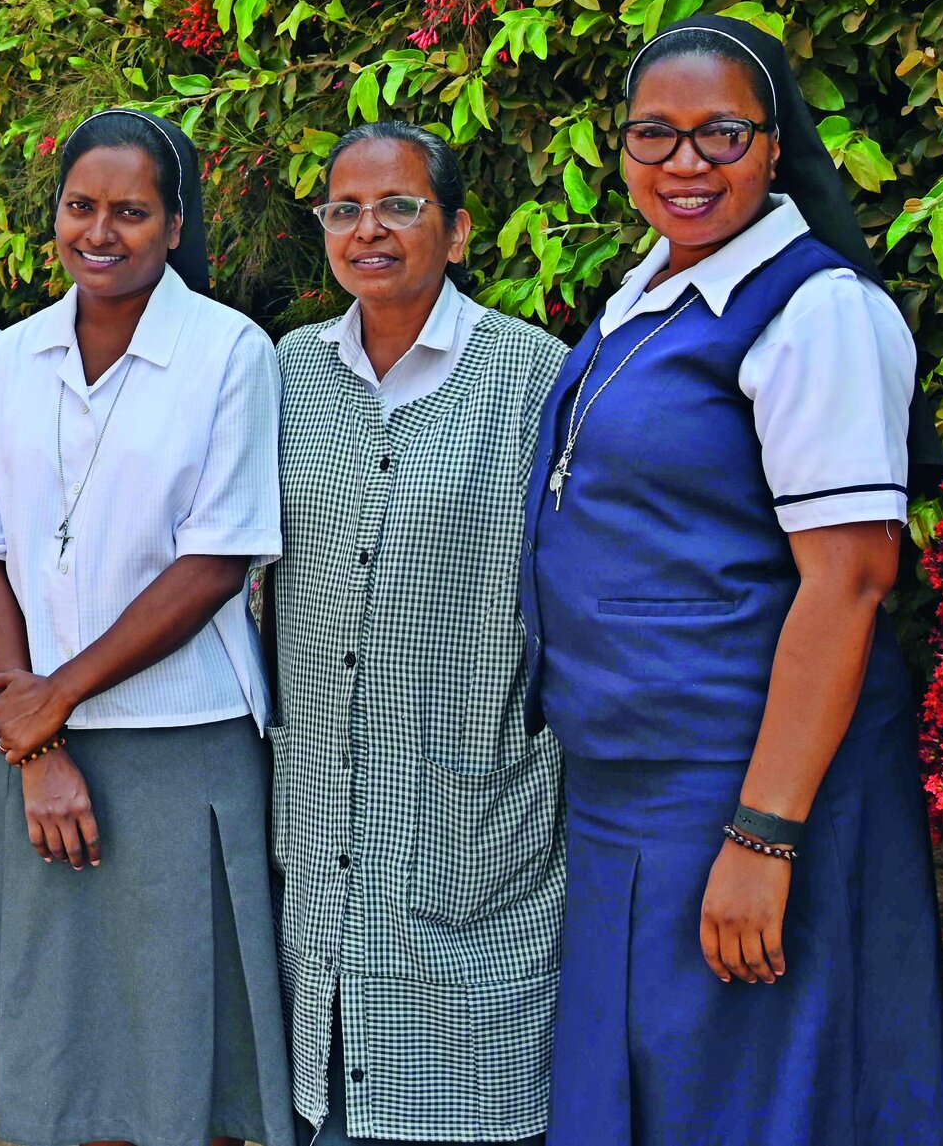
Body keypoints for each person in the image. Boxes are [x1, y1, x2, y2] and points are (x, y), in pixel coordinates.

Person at [521, 15, 943, 1145]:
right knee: (642, 1096)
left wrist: (762, 839)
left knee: (755, 1102)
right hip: (629, 793)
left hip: (747, 787)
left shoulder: (816, 313)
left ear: (773, 145)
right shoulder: (648, 295)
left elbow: (848, 585)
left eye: (719, 133)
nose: (683, 163)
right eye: (652, 135)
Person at [0, 107, 297, 1146]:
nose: (100, 230)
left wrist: (58, 692)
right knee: (67, 1042)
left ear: (174, 224)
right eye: (80, 206)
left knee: (191, 1046)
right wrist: (36, 726)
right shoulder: (9, 360)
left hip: (180, 743)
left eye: (130, 211)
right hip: (25, 744)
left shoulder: (228, 351)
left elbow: (215, 560)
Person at [271, 122, 569, 1146]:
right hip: (323, 820)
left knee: (468, 1105)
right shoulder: (285, 376)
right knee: (329, 1098)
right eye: (343, 210)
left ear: (457, 229)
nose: (368, 230)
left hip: (472, 814)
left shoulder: (534, 378)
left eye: (398, 206)